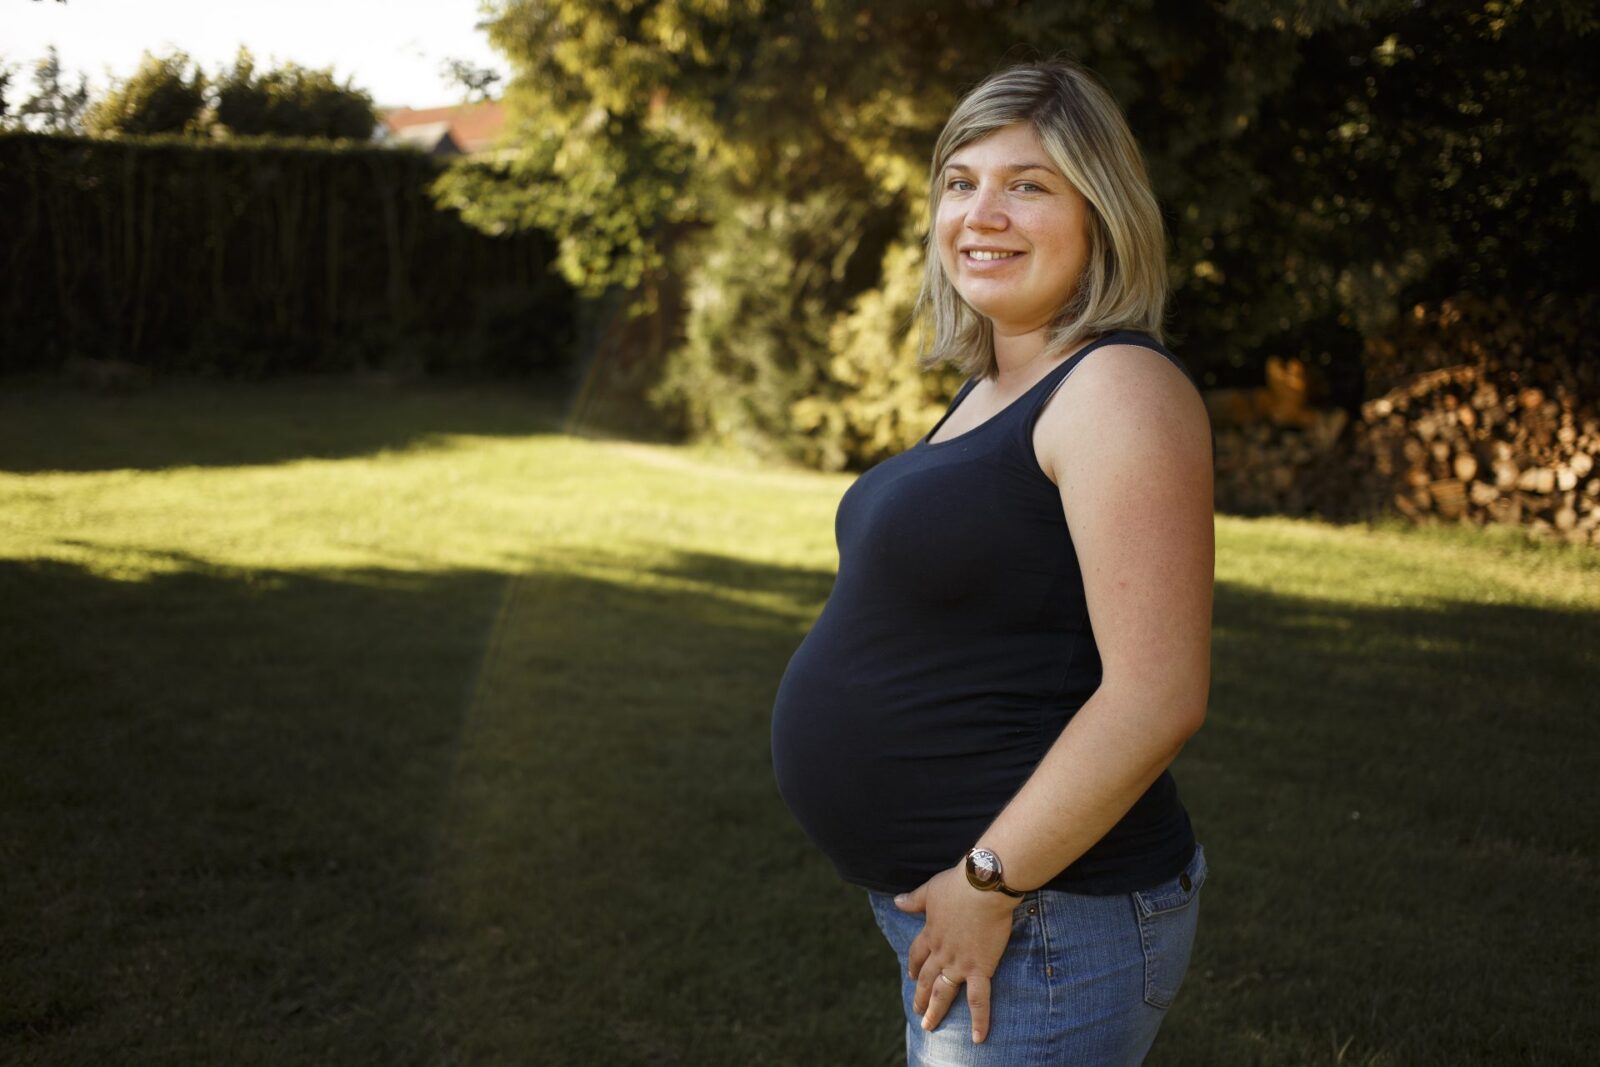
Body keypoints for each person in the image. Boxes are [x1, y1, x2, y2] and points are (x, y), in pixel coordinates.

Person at [769, 56, 1215, 1066]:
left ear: (1100, 212)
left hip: (1043, 914)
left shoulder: (1116, 390)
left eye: (1028, 185)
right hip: (984, 910)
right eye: (960, 181)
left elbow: (1157, 694)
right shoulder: (996, 385)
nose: (983, 213)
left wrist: (987, 881)